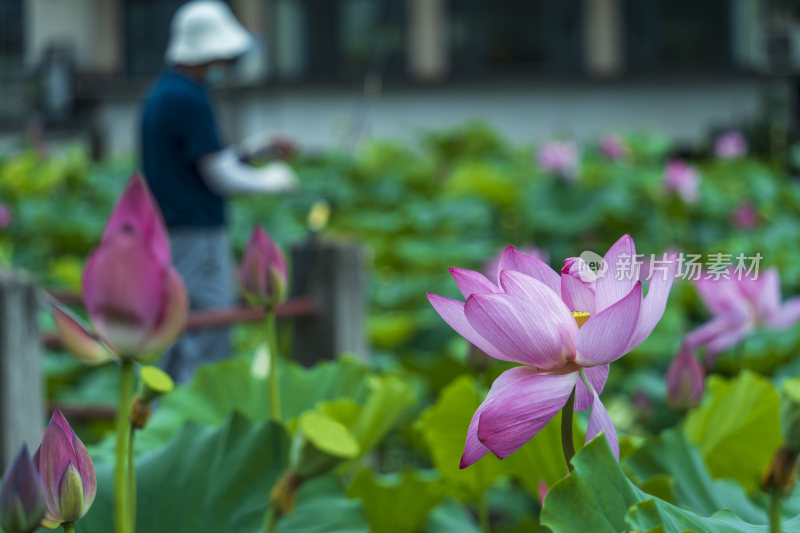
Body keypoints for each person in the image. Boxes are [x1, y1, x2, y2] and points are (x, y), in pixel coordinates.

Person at [139, 0, 298, 383]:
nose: (225, 65)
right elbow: (218, 175)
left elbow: (197, 162)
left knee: (175, 328)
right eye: (223, 56)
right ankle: (197, 415)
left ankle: (165, 416)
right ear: (207, 53)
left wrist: (254, 149)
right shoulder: (189, 98)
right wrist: (271, 180)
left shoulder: (163, 93)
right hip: (197, 234)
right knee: (208, 326)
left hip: (169, 232)